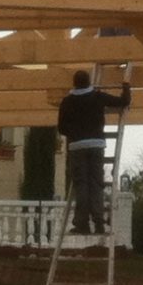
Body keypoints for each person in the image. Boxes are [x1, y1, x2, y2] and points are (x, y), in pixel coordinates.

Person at [56, 67, 131, 235]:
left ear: (74, 84)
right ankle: (99, 223)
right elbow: (123, 101)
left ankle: (82, 224)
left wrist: (75, 134)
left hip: (77, 147)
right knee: (96, 183)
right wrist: (126, 87)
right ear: (89, 82)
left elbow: (61, 128)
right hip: (96, 145)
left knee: (81, 185)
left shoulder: (67, 102)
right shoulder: (97, 97)